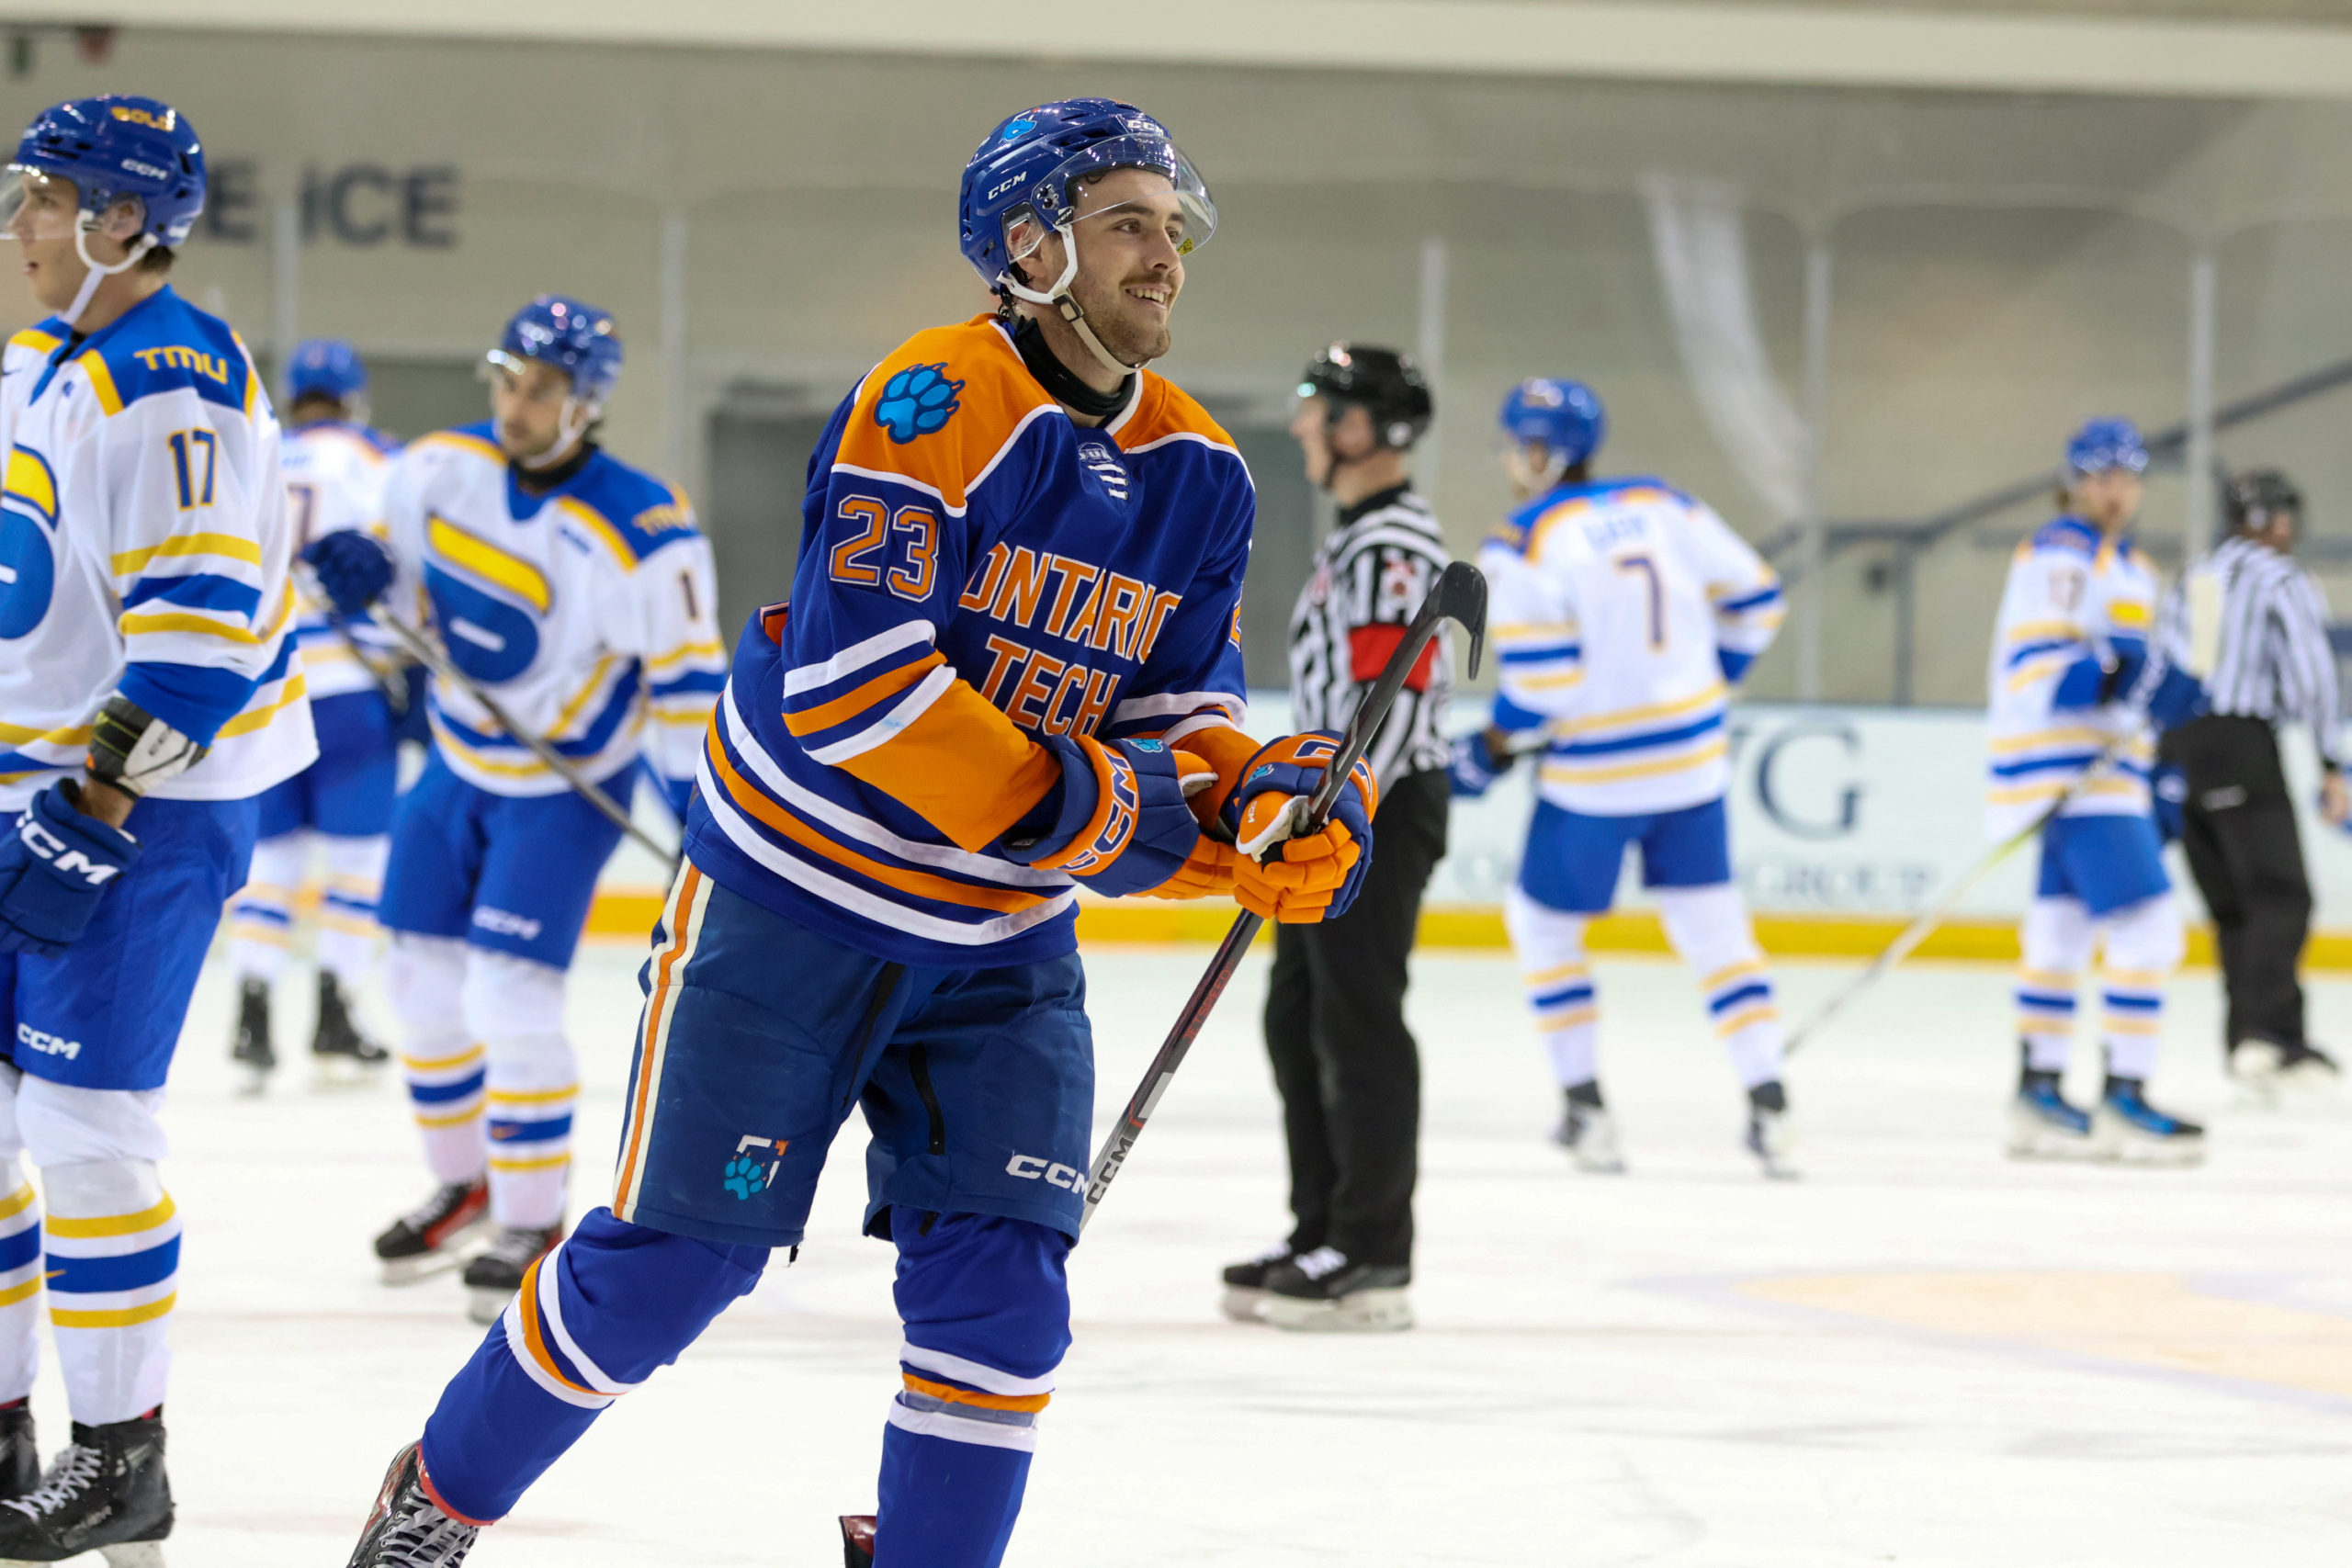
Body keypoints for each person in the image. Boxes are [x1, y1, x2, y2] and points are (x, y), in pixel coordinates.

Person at [341, 96, 1377, 1568]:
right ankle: (439, 1492)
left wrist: (1255, 798)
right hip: (794, 909)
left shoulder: (1203, 469)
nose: (1167, 259)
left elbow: (1176, 705)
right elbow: (862, 690)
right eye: (1127, 225)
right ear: (1029, 246)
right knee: (669, 1272)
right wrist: (1134, 824)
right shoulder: (932, 400)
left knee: (1005, 1305)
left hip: (999, 946)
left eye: (1172, 229)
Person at [0, 94, 317, 1562]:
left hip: (140, 803)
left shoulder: (169, 384)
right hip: (38, 784)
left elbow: (193, 647)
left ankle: (122, 1457)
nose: (21, 222)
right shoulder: (49, 355)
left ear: (123, 222)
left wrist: (91, 811)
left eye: (47, 199)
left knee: (86, 1129)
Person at [304, 298, 726, 1323]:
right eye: (508, 379)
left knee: (509, 999)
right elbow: (404, 616)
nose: (516, 402)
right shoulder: (437, 470)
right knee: (415, 983)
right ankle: (467, 1186)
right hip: (456, 764)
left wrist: (697, 821)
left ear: (586, 403)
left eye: (541, 388)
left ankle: (532, 1219)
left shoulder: (644, 528)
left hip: (564, 788)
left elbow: (683, 688)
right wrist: (364, 582)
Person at [1456, 378, 1793, 1177]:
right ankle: (1772, 1104)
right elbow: (1758, 598)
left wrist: (1490, 746)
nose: (1510, 459)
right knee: (1716, 932)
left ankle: (1587, 1110)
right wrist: (1711, 681)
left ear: (1541, 453)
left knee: (1544, 927)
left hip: (1595, 781)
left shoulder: (1521, 542)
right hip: (1692, 765)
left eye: (1516, 445)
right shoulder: (1664, 503)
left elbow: (1544, 686)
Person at [1221, 344, 1450, 1332]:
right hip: (1338, 806)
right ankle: (1319, 1228)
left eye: (1318, 406)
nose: (1303, 424)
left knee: (1357, 1020)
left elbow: (1393, 701)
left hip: (1376, 809)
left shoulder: (1392, 548)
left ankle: (1372, 1252)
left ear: (1363, 427)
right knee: (1298, 1015)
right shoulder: (1360, 538)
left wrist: (1339, 807)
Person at [1995, 418, 2205, 1164]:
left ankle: (2037, 1093)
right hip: (2076, 773)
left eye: (2128, 477)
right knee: (2151, 929)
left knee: (2060, 933)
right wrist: (2133, 678)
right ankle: (2125, 1096)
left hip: (2100, 773)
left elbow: (2133, 678)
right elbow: (2043, 666)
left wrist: (2163, 696)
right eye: (2102, 476)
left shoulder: (2132, 567)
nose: (2116, 490)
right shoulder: (2061, 554)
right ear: (2075, 481)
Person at [225, 339, 403, 1092]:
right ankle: (337, 1010)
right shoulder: (376, 458)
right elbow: (402, 566)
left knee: (273, 861)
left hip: (268, 688)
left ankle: (252, 1013)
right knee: (356, 863)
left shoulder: (255, 455)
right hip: (350, 688)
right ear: (352, 396)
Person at [2156, 468, 2347, 1098]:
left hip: (2181, 748)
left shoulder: (2198, 575)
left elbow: (2171, 666)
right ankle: (2270, 1037)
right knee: (2281, 895)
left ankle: (2250, 1041)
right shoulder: (2279, 577)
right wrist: (2330, 760)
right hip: (2239, 742)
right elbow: (2312, 675)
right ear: (2272, 519)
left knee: (2234, 905)